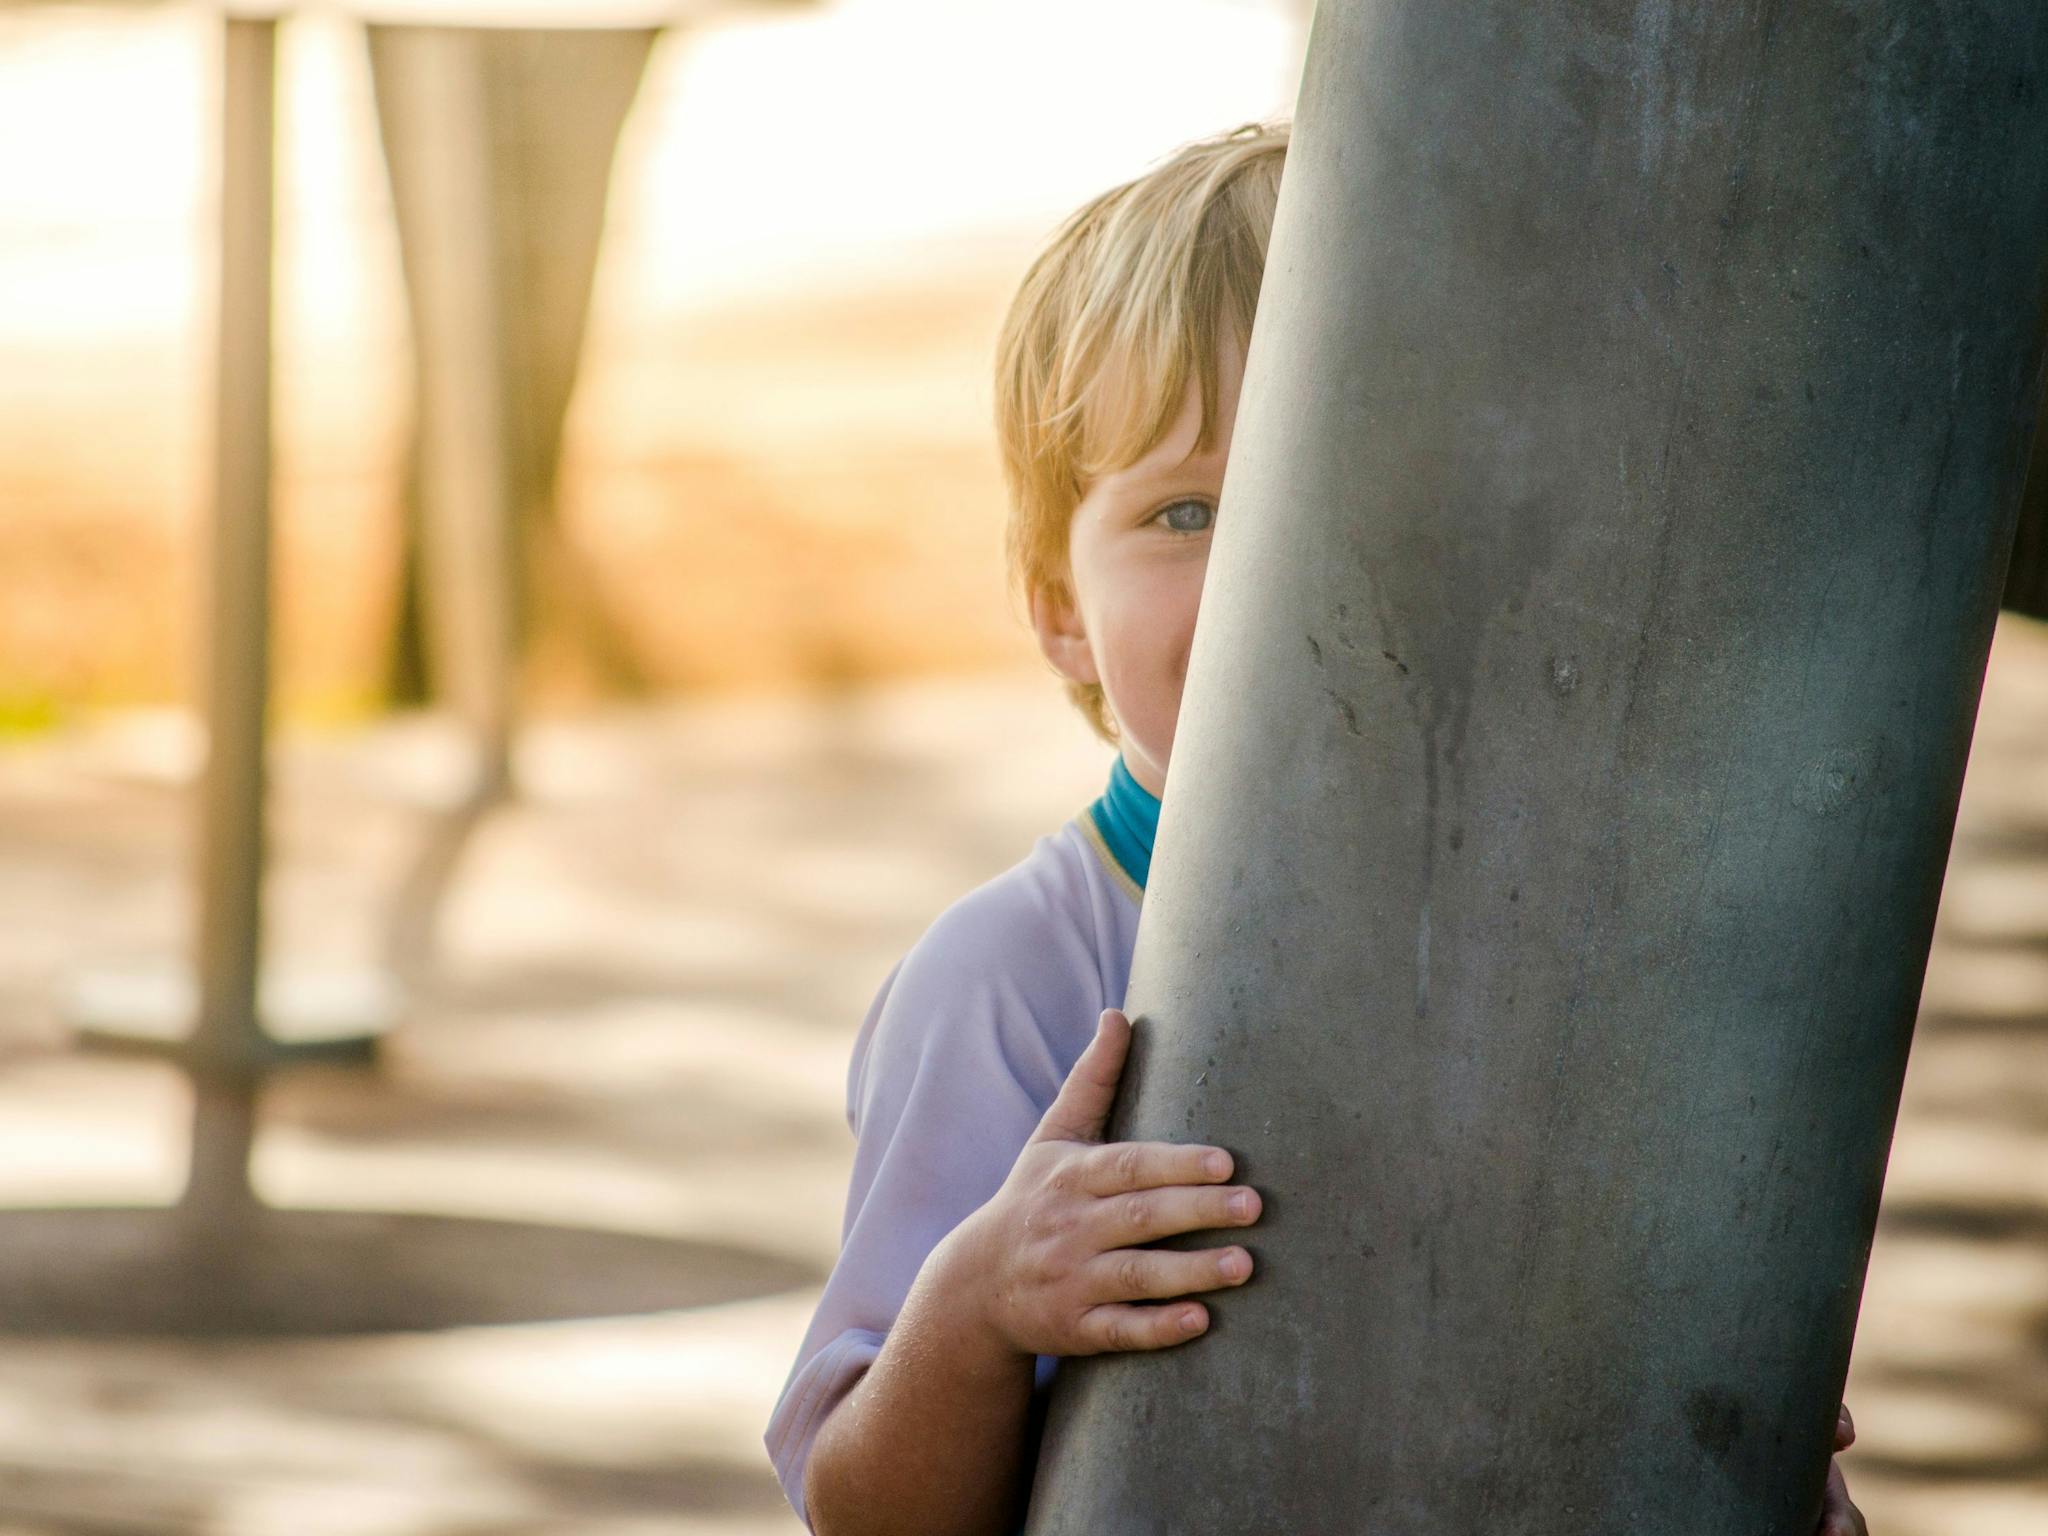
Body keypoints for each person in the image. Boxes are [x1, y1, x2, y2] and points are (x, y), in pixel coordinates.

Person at [763, 120, 1868, 1536]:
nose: (1283, 567)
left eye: (1365, 488)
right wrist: (982, 1303)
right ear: (1057, 609)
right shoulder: (1012, 979)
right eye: (1186, 509)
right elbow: (867, 1511)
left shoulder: (1605, 936)